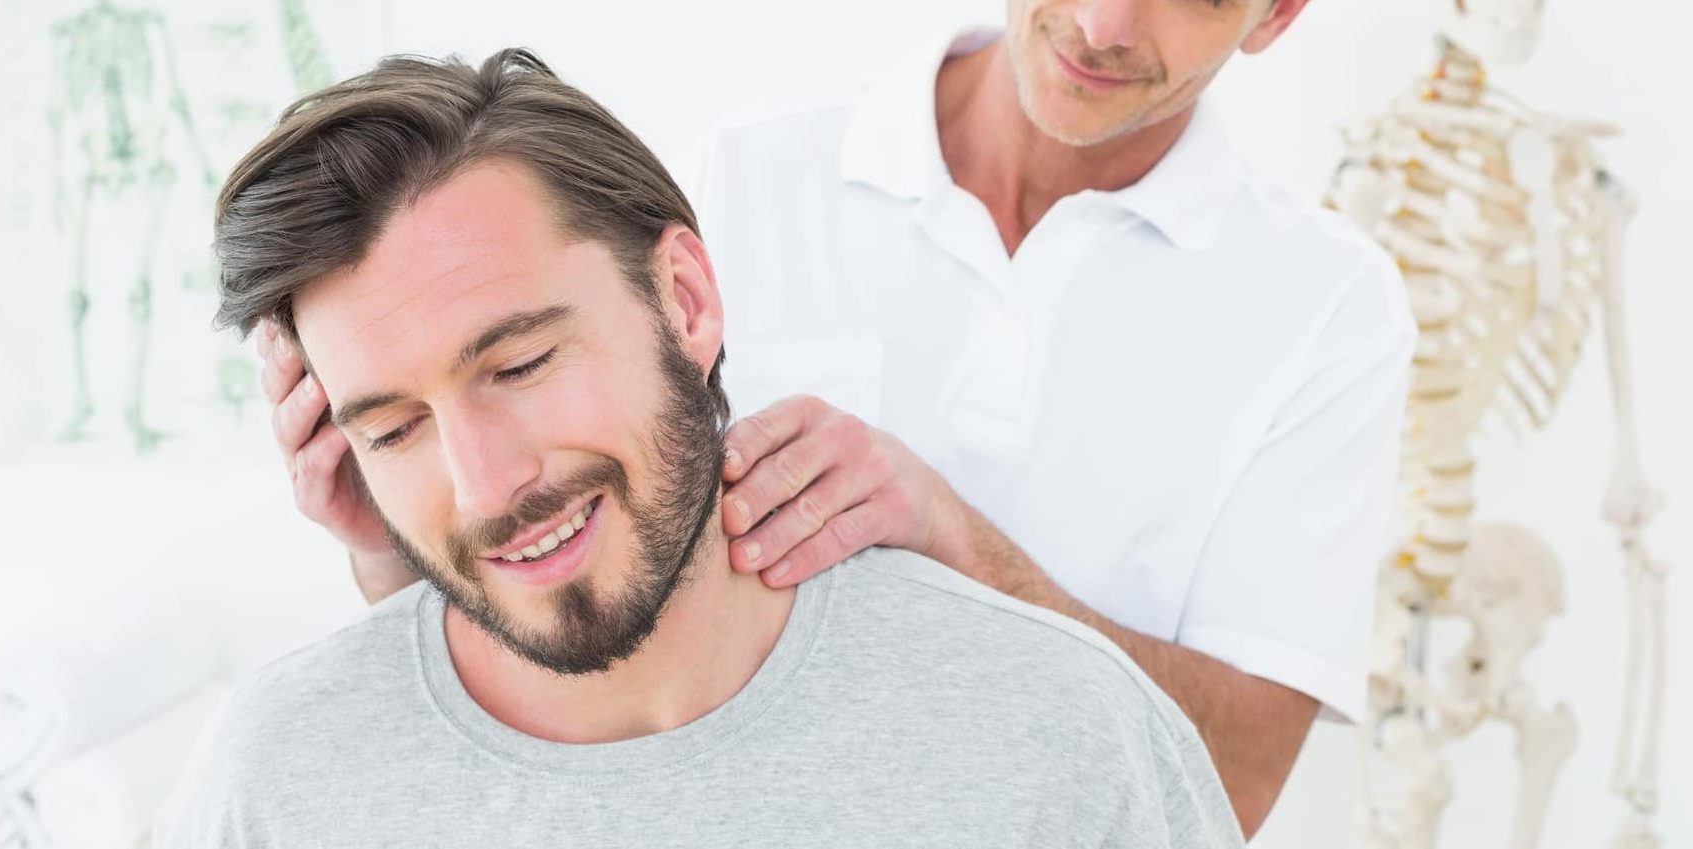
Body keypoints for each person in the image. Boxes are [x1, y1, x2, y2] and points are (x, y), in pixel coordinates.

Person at [260, 0, 1413, 834]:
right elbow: (578, 574)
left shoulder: (1322, 310)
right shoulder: (751, 174)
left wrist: (953, 537)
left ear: (1276, 18)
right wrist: (396, 554)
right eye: (397, 421)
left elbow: (1231, 784)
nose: (1106, 24)